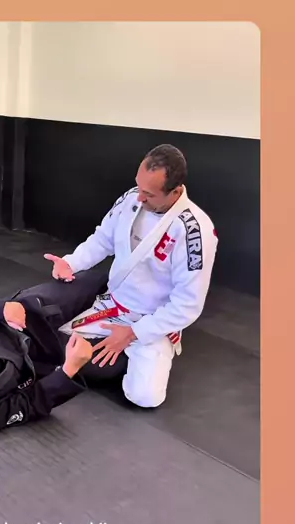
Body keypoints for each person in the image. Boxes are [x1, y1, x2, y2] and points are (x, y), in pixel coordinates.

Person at [44, 144, 218, 409]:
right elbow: (103, 239)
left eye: (149, 194)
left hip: (152, 320)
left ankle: (138, 354)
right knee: (55, 347)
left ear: (175, 191)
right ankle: (117, 356)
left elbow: (187, 304)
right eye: (139, 187)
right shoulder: (131, 199)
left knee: (145, 398)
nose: (140, 198)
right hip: (114, 306)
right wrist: (71, 262)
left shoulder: (195, 232)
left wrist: (135, 333)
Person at [0, 266, 109, 434]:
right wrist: (69, 370)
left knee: (97, 280)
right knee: (114, 361)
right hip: (45, 358)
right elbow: (29, 403)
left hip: (19, 318)